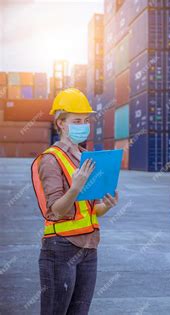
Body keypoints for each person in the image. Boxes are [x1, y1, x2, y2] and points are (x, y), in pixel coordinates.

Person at [31, 88, 119, 315]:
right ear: (60, 123)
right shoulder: (51, 160)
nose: (84, 125)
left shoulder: (85, 157)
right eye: (76, 120)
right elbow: (56, 211)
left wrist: (107, 206)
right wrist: (76, 187)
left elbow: (91, 210)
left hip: (89, 247)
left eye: (86, 120)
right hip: (60, 248)